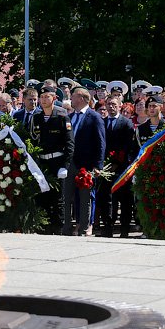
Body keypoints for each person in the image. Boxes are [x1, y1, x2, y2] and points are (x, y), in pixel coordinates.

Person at [30, 85, 74, 233]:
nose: (43, 100)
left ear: (54, 98)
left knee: (58, 199)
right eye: (41, 97)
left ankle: (58, 229)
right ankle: (43, 228)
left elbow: (69, 144)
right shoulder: (36, 118)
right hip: (42, 163)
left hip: (57, 162)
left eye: (47, 97)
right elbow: (33, 141)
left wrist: (65, 166)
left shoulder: (62, 117)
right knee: (42, 197)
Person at [62, 87, 105, 236]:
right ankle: (66, 226)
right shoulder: (70, 116)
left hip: (86, 164)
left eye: (73, 96)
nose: (70, 99)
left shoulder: (94, 117)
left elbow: (101, 142)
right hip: (70, 163)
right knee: (66, 196)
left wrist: (98, 165)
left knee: (85, 197)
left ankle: (84, 227)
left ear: (81, 98)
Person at [98, 93, 135, 237]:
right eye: (109, 104)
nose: (111, 107)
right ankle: (107, 227)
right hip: (104, 168)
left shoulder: (126, 123)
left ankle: (124, 230)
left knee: (124, 199)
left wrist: (116, 162)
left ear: (120, 106)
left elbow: (127, 146)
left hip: (121, 167)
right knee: (104, 197)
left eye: (114, 104)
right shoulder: (102, 122)